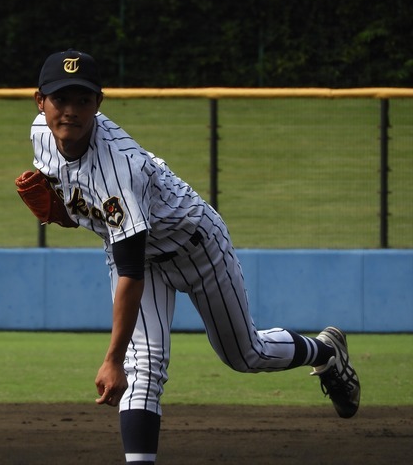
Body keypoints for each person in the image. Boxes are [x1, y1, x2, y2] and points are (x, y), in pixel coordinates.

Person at [22, 49, 360, 464]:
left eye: (83, 100)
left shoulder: (120, 169)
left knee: (245, 355)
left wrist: (111, 360)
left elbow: (129, 270)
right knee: (145, 368)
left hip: (197, 246)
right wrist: (70, 208)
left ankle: (325, 352)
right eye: (60, 99)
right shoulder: (40, 131)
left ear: (99, 103)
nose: (70, 111)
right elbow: (88, 205)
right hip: (143, 255)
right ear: (40, 101)